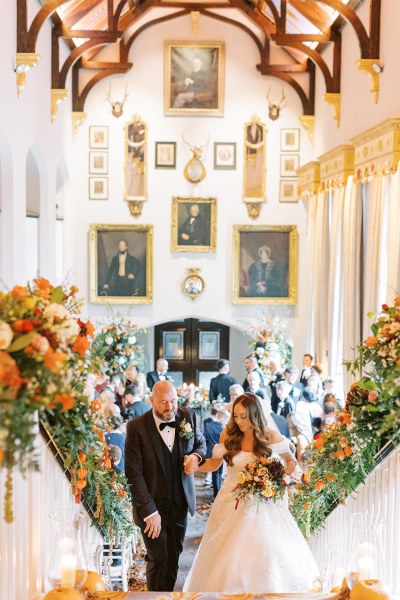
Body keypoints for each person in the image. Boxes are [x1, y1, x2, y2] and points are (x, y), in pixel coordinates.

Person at [183, 393, 320, 592]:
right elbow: (214, 464)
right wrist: (194, 466)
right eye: (236, 416)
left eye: (244, 417)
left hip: (262, 502)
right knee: (227, 555)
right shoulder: (228, 435)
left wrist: (279, 480)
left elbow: (291, 462)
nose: (239, 421)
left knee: (263, 549)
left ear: (255, 415)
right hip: (231, 500)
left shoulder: (270, 436)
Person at [124, 380, 206, 592]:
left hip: (179, 503)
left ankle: (166, 596)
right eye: (163, 403)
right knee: (158, 559)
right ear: (151, 401)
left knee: (173, 557)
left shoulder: (187, 416)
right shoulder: (136, 428)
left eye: (173, 401)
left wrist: (196, 457)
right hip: (151, 507)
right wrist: (150, 512)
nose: (170, 407)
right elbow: (134, 473)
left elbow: (200, 442)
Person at [203, 406, 229, 498]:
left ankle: (216, 493)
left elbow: (204, 439)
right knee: (221, 473)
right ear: (222, 418)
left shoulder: (207, 425)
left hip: (211, 451)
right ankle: (220, 492)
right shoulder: (225, 429)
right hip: (223, 453)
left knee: (215, 473)